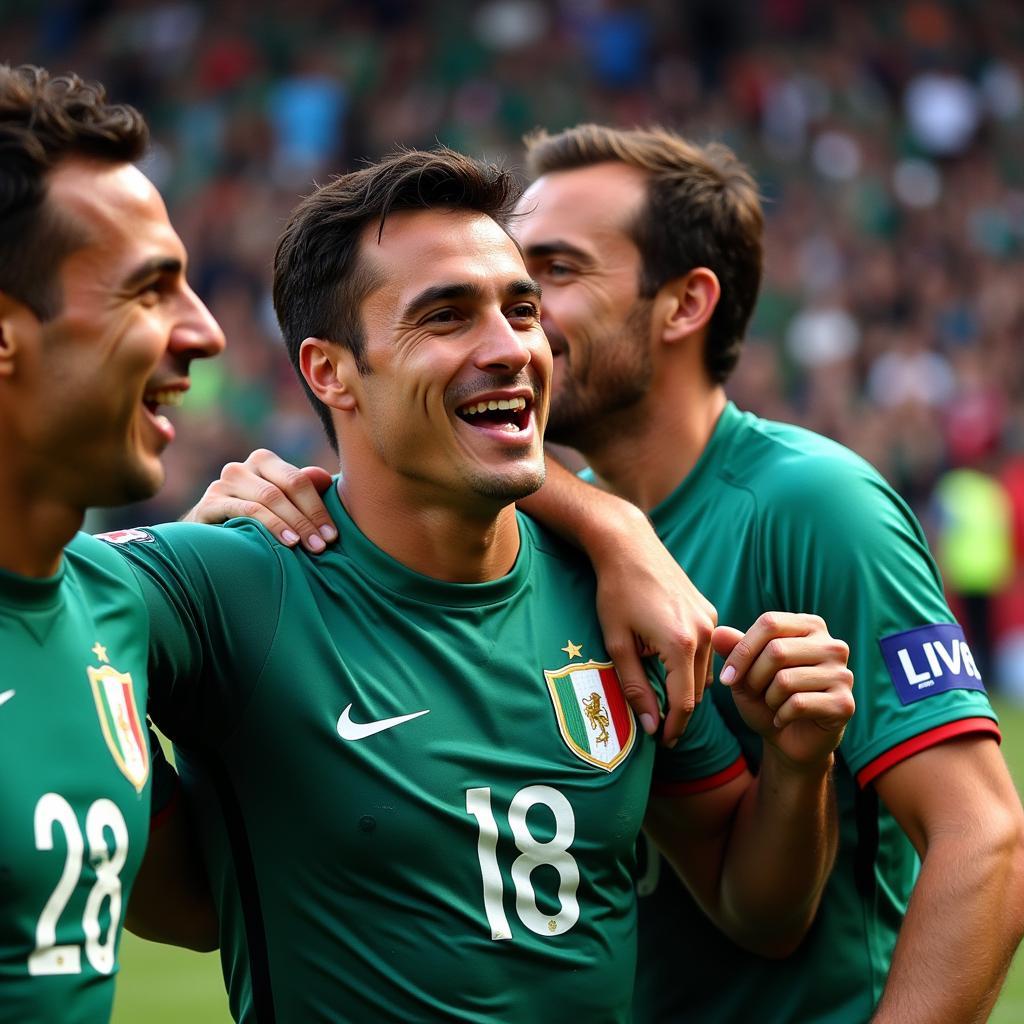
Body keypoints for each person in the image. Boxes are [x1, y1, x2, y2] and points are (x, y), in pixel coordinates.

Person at [208, 125, 1024, 1023]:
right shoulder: (540, 538)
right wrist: (606, 519)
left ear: (683, 305)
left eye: (552, 273)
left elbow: (983, 839)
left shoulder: (814, 505)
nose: (520, 319)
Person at [108, 147, 854, 1022]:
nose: (511, 349)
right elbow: (37, 626)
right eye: (447, 317)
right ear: (330, 372)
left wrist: (802, 767)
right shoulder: (228, 579)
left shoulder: (619, 598)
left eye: (523, 309)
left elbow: (757, 908)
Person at [0, 64, 224, 1023]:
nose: (204, 333)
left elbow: (197, 905)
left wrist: (609, 524)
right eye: (150, 291)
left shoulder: (116, 603)